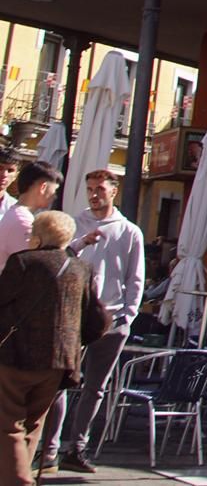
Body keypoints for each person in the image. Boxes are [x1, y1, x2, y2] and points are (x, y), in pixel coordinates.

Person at [38, 168, 145, 474]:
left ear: (114, 191)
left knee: (95, 387)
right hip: (73, 316)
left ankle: (77, 448)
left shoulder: (129, 231)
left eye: (100, 189)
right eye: (90, 189)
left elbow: (135, 278)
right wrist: (80, 242)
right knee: (60, 383)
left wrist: (128, 315)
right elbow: (60, 260)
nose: (95, 194)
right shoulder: (74, 223)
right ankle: (50, 450)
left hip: (111, 317)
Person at [0, 211, 106, 486]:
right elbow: (99, 320)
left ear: (37, 235)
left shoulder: (23, 262)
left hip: (16, 356)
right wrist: (76, 340)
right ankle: (14, 475)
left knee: (8, 423)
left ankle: (19, 480)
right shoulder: (81, 268)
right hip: (59, 361)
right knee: (33, 423)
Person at [0, 162, 62, 272]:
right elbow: (35, 267)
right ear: (43, 187)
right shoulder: (23, 222)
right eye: (55, 190)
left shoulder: (17, 214)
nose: (55, 196)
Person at [0, 145, 19, 219]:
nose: (4, 174)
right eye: (0, 168)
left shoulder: (15, 210)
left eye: (10, 170)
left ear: (15, 176)